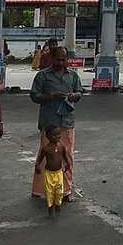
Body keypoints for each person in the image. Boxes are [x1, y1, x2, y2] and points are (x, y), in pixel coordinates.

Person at [30, 47, 83, 202]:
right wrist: (51, 96)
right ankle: (39, 190)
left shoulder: (72, 75)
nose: (61, 63)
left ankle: (66, 191)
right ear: (52, 59)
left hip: (67, 121)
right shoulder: (43, 76)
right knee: (45, 156)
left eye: (63, 59)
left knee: (67, 157)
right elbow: (34, 96)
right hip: (49, 122)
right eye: (58, 59)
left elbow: (80, 92)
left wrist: (74, 96)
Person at [34, 124, 72, 216]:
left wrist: (68, 164)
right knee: (49, 191)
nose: (57, 137)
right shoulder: (46, 148)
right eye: (54, 135)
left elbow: (66, 156)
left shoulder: (61, 146)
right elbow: (39, 159)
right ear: (48, 136)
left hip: (58, 173)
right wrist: (37, 166)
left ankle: (58, 204)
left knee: (59, 191)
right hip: (49, 173)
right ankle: (50, 208)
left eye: (59, 134)